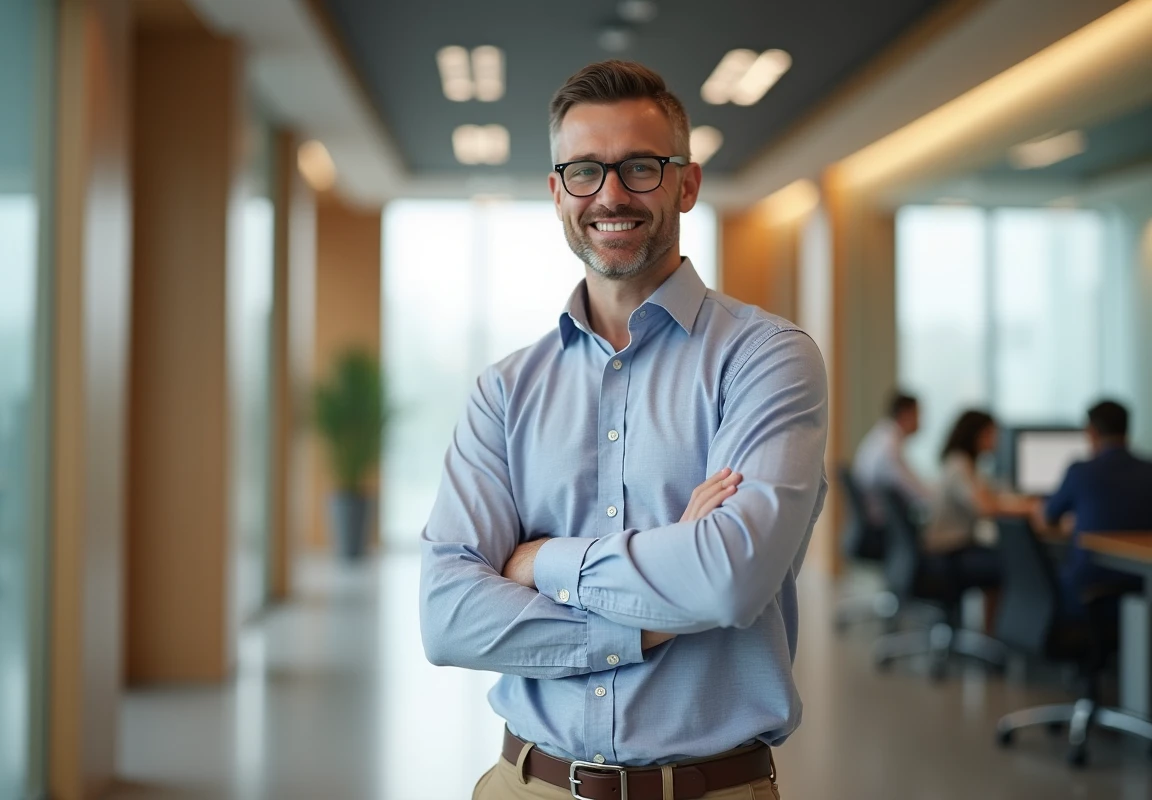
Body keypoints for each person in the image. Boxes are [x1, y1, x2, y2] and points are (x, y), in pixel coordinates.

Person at [420, 61, 828, 800]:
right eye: (584, 171)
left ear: (686, 183)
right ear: (557, 192)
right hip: (526, 785)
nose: (610, 195)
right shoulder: (505, 392)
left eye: (640, 168)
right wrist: (654, 620)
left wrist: (538, 561)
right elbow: (448, 617)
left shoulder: (767, 359)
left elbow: (730, 580)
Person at [1038, 400, 1152, 617]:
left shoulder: (1080, 471)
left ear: (1091, 432)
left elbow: (1047, 517)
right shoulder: (1149, 471)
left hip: (1090, 579)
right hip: (1142, 580)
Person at [926, 410, 1034, 581]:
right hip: (949, 552)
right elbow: (986, 507)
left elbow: (991, 497)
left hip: (958, 547)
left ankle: (999, 608)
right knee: (1014, 563)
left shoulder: (966, 464)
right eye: (992, 434)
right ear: (978, 435)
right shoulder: (959, 465)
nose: (997, 441)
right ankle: (1004, 608)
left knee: (1008, 557)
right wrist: (1030, 508)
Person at [852, 391, 931, 524]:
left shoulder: (883, 436)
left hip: (875, 518)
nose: (920, 421)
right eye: (918, 414)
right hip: (881, 521)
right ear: (906, 414)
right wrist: (936, 498)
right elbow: (909, 486)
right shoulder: (889, 446)